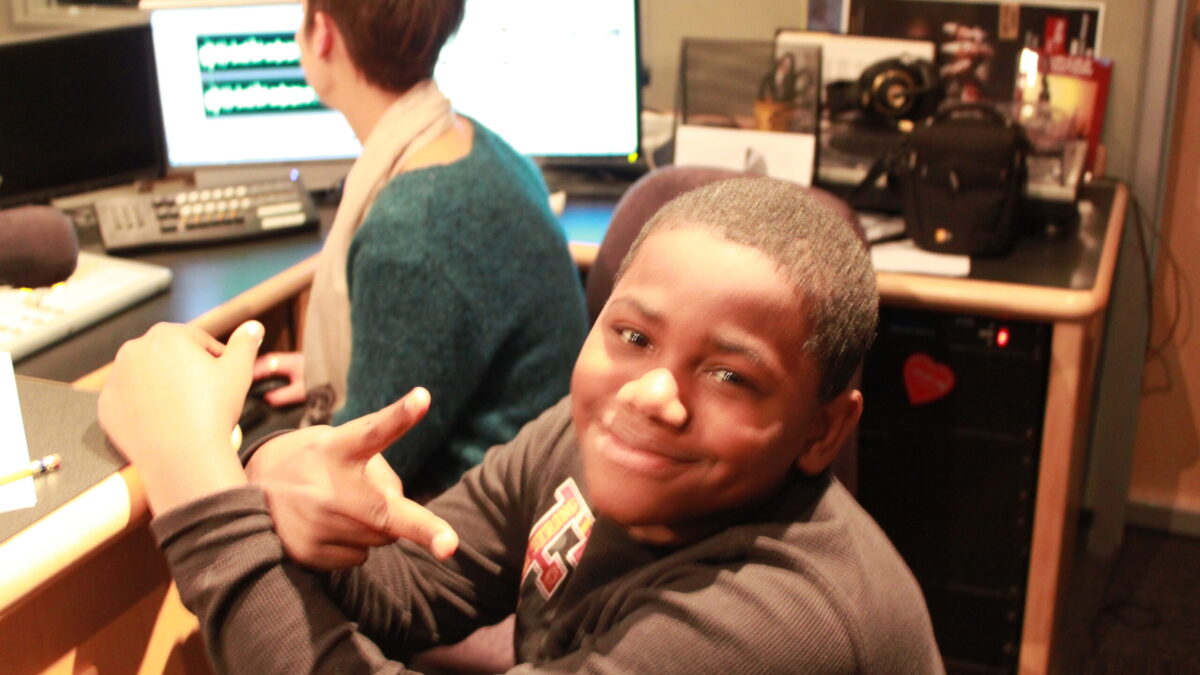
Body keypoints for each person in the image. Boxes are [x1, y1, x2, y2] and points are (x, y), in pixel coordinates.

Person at [99, 177, 945, 673]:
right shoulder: (594, 435)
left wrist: (197, 485)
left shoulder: (778, 619)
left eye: (729, 375)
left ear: (825, 430)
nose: (654, 393)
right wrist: (283, 470)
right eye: (633, 335)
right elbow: (423, 584)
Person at [254, 0, 588, 494]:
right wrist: (362, 365)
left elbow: (360, 472)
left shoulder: (411, 230)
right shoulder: (479, 145)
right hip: (530, 487)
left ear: (322, 34)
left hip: (459, 528)